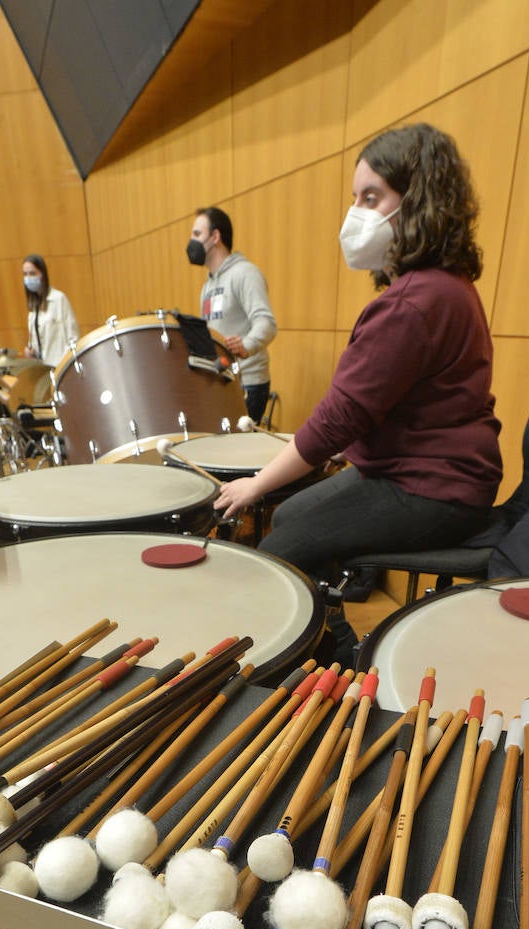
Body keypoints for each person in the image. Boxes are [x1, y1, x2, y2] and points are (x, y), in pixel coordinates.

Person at [213, 124, 502, 654]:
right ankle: (336, 630)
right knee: (292, 514)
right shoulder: (443, 286)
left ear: (418, 202)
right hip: (433, 474)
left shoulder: (413, 302)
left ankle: (340, 664)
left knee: (281, 548)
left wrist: (254, 483)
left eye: (372, 197)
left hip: (434, 488)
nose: (357, 213)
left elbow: (339, 418)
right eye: (356, 198)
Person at [187, 207, 277, 426]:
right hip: (224, 381)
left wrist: (247, 344)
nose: (191, 241)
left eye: (197, 234)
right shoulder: (208, 285)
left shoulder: (244, 273)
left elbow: (267, 322)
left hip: (249, 384)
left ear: (215, 237)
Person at [21, 255, 79, 368]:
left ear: (42, 274)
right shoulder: (33, 308)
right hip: (42, 371)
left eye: (32, 273)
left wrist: (64, 366)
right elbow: (37, 341)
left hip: (60, 368)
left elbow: (73, 339)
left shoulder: (59, 299)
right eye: (25, 274)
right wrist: (30, 350)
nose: (28, 278)